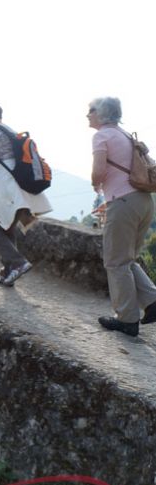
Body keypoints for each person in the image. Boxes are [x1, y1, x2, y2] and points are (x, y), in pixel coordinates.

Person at [88, 96, 156, 336]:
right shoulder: (126, 135)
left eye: (91, 110)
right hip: (144, 201)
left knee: (115, 262)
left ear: (102, 113)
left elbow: (98, 172)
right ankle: (152, 301)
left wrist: (96, 184)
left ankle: (127, 319)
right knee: (127, 259)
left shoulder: (101, 136)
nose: (87, 114)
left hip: (123, 202)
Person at [0, 102, 51, 286]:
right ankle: (8, 272)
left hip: (3, 183)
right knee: (6, 227)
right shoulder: (11, 131)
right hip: (18, 184)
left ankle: (18, 263)